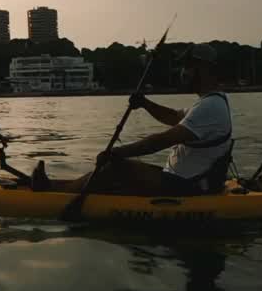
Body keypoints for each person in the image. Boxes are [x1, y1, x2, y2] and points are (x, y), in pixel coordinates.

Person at [33, 43, 233, 196]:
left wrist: (117, 153)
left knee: (116, 168)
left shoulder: (211, 106)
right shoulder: (207, 103)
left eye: (189, 67)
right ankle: (56, 186)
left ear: (205, 69)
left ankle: (52, 192)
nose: (183, 72)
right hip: (180, 178)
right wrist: (145, 103)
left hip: (188, 185)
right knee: (115, 174)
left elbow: (162, 141)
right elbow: (173, 117)